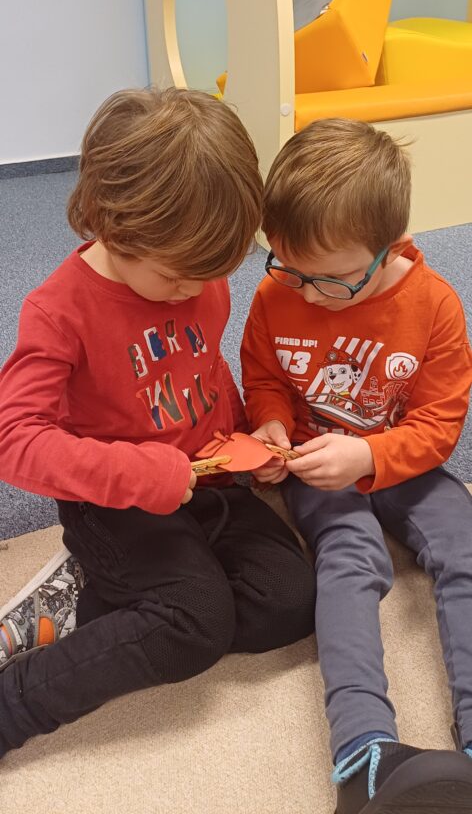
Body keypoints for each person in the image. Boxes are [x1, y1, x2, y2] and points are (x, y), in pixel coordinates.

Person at [0, 86, 315, 759]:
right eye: (176, 278)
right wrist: (139, 473)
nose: (194, 291)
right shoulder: (59, 311)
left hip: (206, 477)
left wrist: (250, 431)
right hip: (115, 501)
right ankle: (15, 700)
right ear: (114, 229)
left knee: (290, 601)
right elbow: (15, 441)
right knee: (196, 624)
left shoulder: (198, 275)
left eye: (210, 275)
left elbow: (204, 366)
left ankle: (97, 602)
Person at [241, 118, 472, 813]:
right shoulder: (275, 296)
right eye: (290, 269)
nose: (309, 294)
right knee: (348, 557)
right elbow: (264, 379)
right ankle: (362, 754)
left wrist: (370, 454)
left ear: (390, 246)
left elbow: (438, 426)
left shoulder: (434, 306)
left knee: (464, 545)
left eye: (333, 280)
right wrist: (270, 425)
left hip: (405, 459)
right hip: (314, 460)